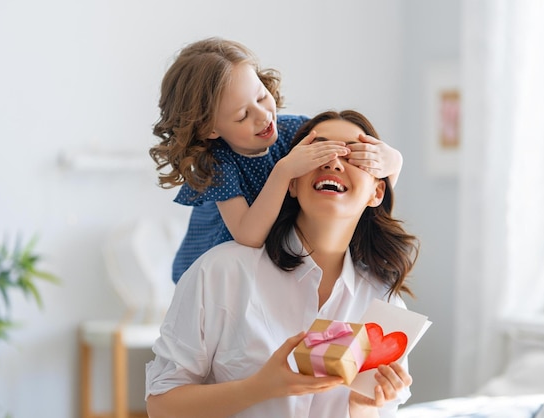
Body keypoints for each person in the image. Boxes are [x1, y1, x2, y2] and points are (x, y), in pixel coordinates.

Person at [145, 110, 419, 418]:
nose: (333, 162)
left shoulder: (385, 303)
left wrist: (362, 406)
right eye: (318, 151)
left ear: (377, 191)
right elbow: (161, 406)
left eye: (356, 155)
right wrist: (261, 387)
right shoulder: (222, 272)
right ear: (291, 183)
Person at [149, 37, 404, 283]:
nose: (263, 117)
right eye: (242, 115)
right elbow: (248, 236)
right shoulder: (217, 164)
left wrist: (394, 161)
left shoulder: (295, 130)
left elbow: (367, 194)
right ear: (209, 129)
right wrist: (283, 172)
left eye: (261, 97)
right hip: (224, 269)